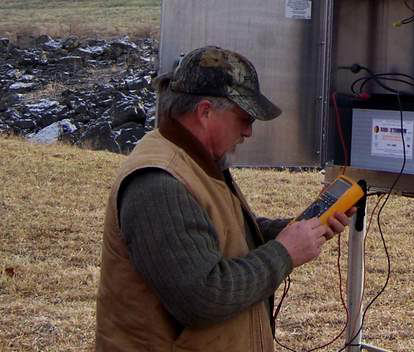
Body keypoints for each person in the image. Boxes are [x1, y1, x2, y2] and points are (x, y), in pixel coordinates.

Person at [95, 45, 352, 352]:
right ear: (205, 112)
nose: (248, 132)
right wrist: (284, 252)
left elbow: (212, 232)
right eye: (245, 118)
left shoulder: (194, 160)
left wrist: (296, 230)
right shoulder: (158, 183)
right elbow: (203, 297)